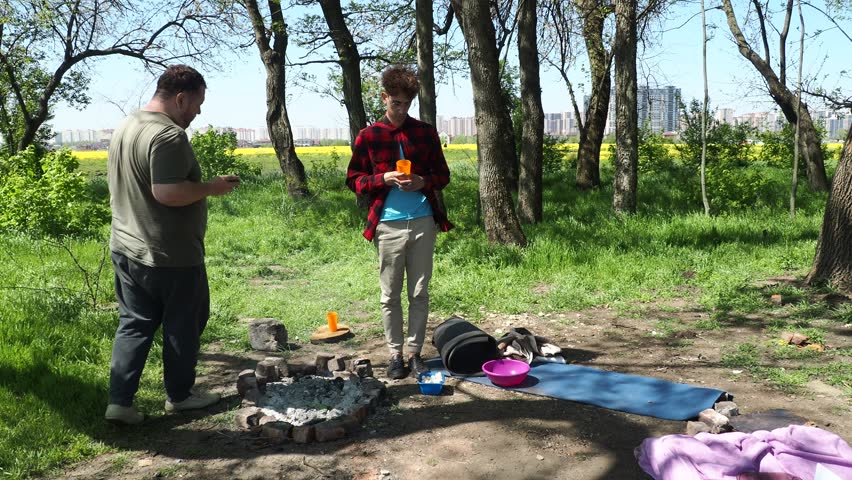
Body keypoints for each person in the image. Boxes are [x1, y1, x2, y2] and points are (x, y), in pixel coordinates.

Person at [104, 65, 240, 425]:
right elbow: (167, 192)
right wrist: (212, 186)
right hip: (169, 254)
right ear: (181, 98)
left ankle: (119, 403)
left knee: (134, 324)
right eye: (197, 103)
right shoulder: (167, 135)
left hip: (126, 246)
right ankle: (179, 396)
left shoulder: (126, 126)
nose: (198, 112)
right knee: (184, 323)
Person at [346, 65, 453, 380]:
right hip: (388, 225)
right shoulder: (369, 136)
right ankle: (395, 356)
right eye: (396, 103)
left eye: (407, 104)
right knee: (389, 294)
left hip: (423, 221)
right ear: (384, 98)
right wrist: (384, 177)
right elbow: (354, 181)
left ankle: (414, 353)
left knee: (419, 292)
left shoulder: (425, 133)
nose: (402, 109)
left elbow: (443, 176)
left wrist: (422, 181)